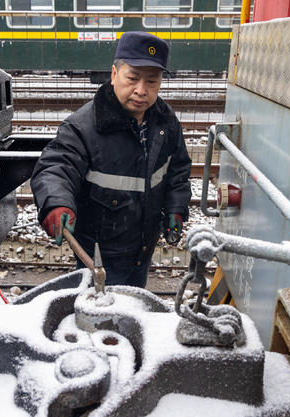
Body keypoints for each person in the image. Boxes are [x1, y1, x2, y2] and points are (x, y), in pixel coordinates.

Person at [30, 31, 191, 287]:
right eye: (133, 78)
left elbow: (178, 171)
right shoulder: (82, 127)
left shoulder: (165, 122)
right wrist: (56, 202)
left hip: (143, 247)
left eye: (152, 81)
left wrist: (176, 208)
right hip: (97, 255)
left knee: (132, 306)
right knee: (98, 314)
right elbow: (56, 166)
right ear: (114, 74)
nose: (141, 90)